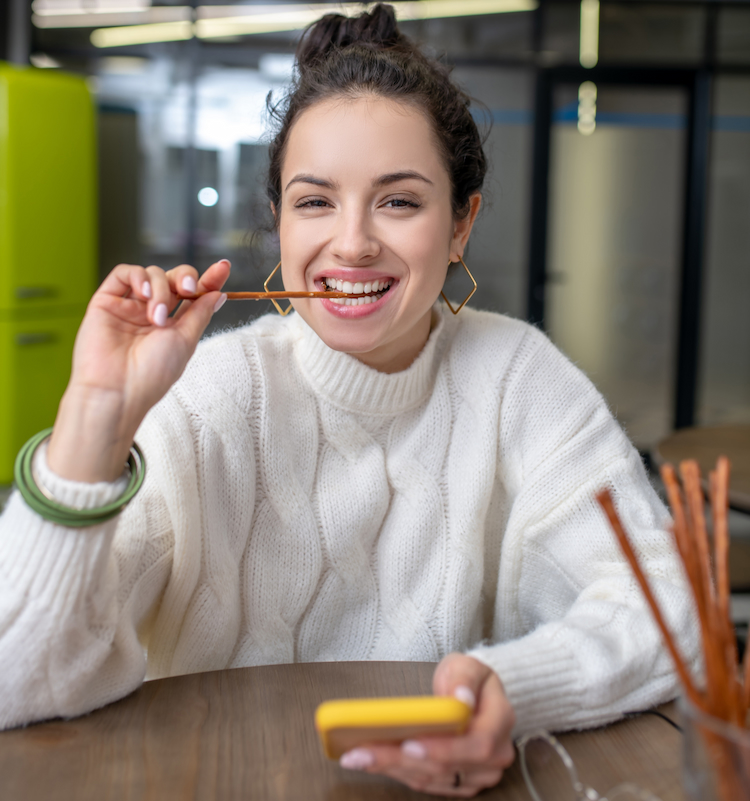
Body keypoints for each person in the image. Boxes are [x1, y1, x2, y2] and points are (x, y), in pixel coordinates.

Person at [0, 4, 697, 797]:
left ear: (461, 223)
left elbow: (674, 613)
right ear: (278, 221)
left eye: (399, 201)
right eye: (315, 201)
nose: (355, 241)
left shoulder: (519, 378)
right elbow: (15, 679)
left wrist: (512, 688)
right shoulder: (210, 394)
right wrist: (97, 411)